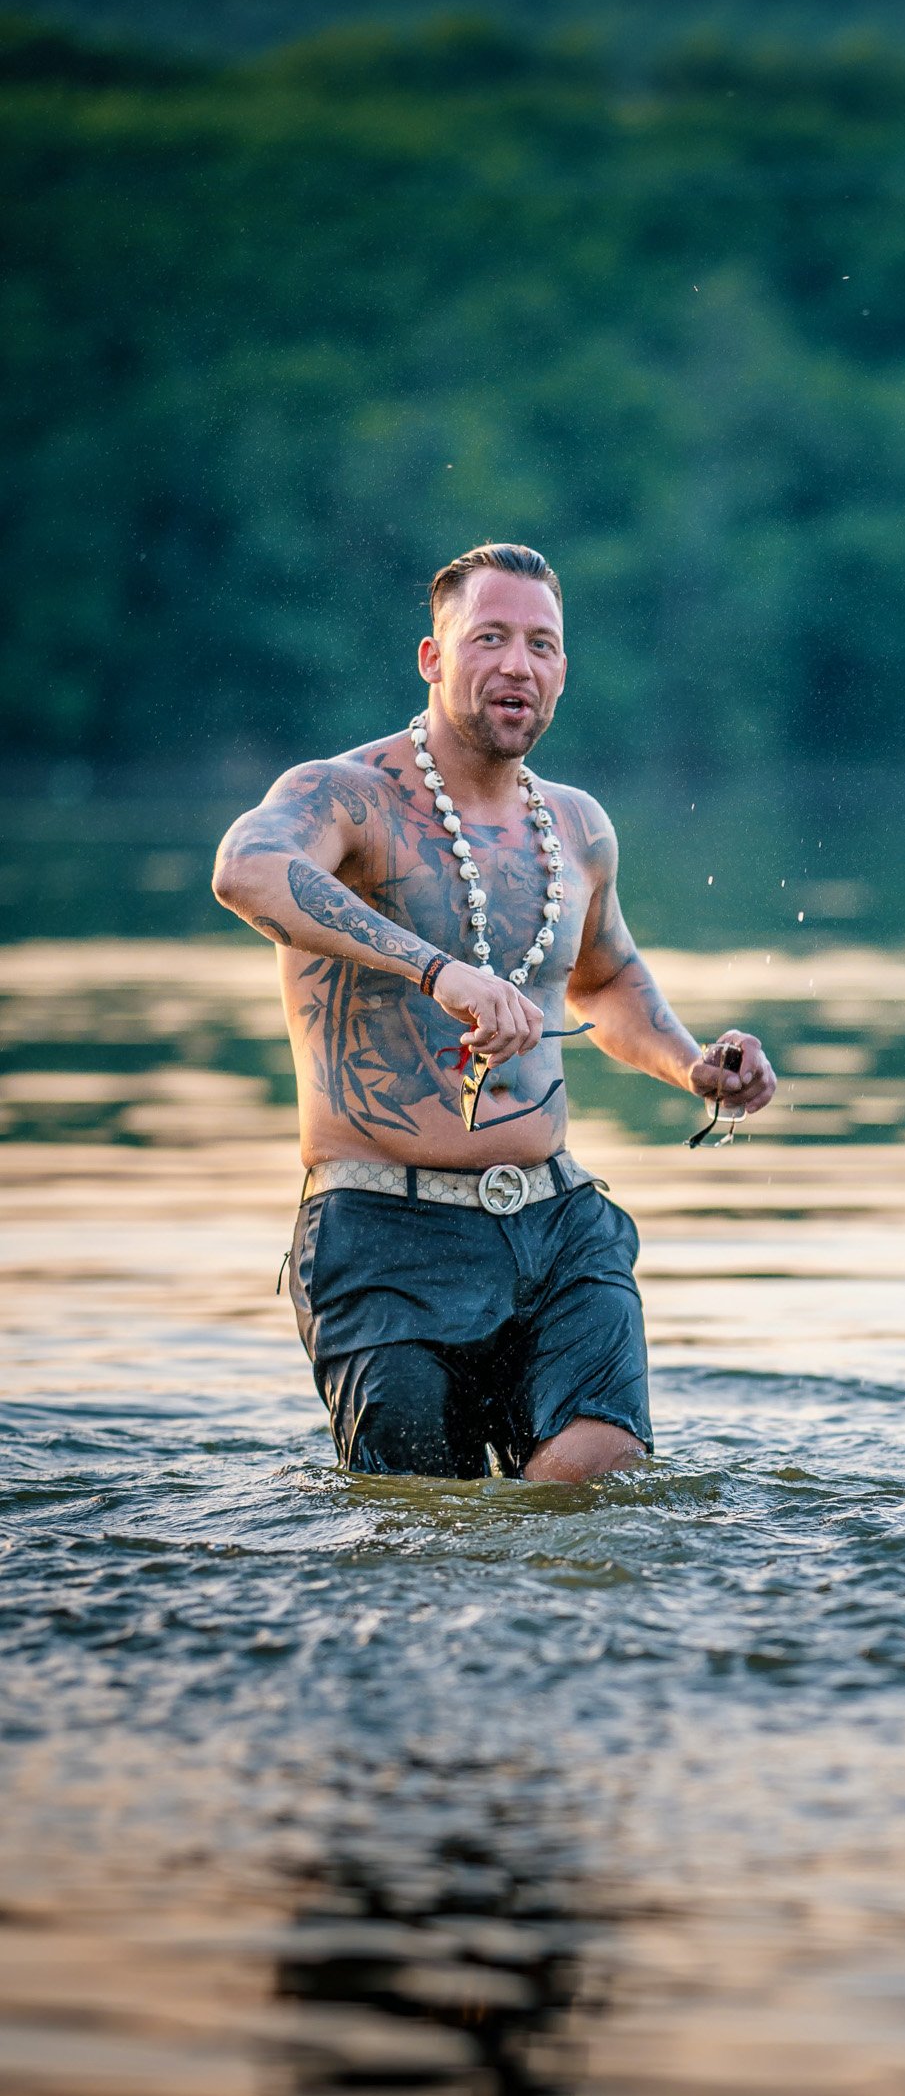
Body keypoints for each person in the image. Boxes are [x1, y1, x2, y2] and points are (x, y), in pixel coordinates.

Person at [213, 542, 777, 1482]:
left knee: (602, 1472)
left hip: (557, 1223)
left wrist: (693, 1066)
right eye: (491, 638)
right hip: (384, 1232)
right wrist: (440, 973)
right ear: (433, 658)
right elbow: (246, 870)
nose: (519, 664)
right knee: (421, 1526)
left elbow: (603, 983)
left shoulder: (578, 824)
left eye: (543, 645)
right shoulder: (347, 796)